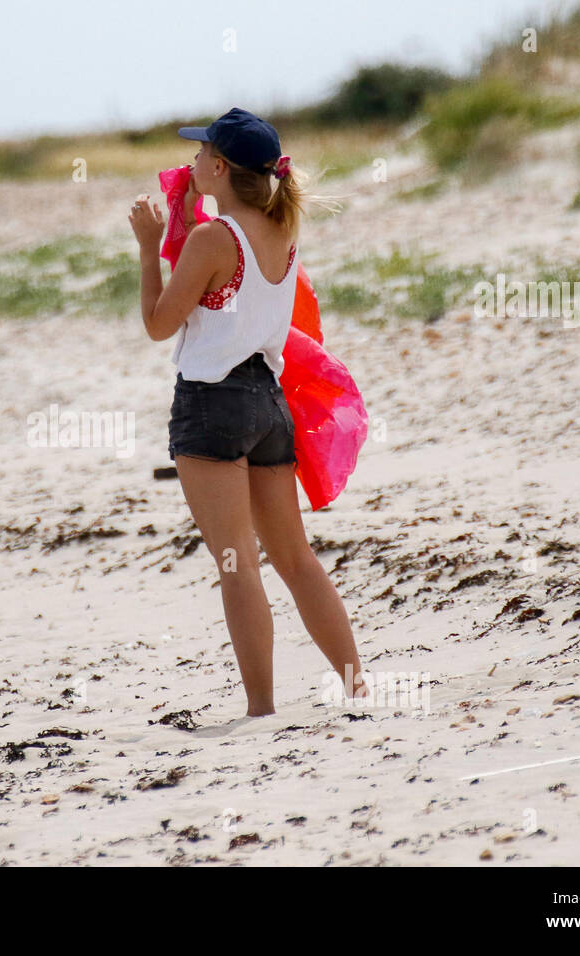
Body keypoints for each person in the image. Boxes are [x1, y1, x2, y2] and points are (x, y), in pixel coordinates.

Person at [127, 107, 367, 717]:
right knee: (294, 557)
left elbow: (160, 326)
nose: (192, 161)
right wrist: (188, 219)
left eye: (201, 152)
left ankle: (262, 708)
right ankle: (356, 685)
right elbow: (226, 293)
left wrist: (149, 247)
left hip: (212, 404)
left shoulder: (213, 239)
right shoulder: (280, 231)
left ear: (221, 167)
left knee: (236, 564)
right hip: (267, 399)